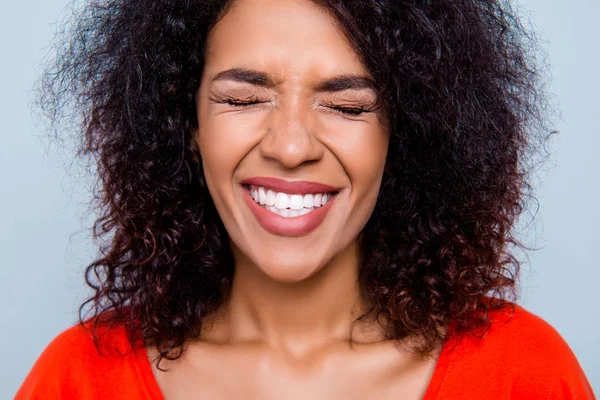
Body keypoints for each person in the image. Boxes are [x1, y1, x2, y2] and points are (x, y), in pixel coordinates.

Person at [16, 0, 596, 398]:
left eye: (347, 107)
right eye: (243, 99)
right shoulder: (79, 379)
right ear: (185, 126)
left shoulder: (524, 374)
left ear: (405, 134)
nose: (291, 147)